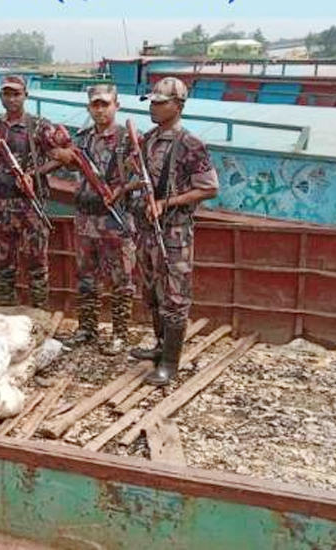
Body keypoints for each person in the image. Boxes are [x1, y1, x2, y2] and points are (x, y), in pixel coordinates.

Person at [131, 77, 219, 385]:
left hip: (174, 233)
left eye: (160, 102)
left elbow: (209, 188)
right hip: (147, 231)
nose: (153, 108)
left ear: (178, 106)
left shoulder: (190, 143)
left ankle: (170, 363)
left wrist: (167, 203)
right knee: (152, 291)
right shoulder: (148, 139)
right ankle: (159, 346)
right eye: (152, 102)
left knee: (175, 296)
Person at [52, 84, 137, 356]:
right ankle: (87, 329)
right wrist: (62, 157)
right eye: (95, 105)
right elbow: (63, 157)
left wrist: (122, 190)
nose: (100, 109)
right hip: (87, 219)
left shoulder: (130, 139)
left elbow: (143, 176)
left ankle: (120, 334)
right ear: (89, 107)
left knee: (121, 279)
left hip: (116, 219)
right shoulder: (82, 139)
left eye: (105, 104)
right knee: (86, 277)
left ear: (117, 105)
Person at [0, 74, 58, 308]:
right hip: (3, 204)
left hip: (31, 207)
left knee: (37, 263)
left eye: (16, 94)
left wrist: (33, 175)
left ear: (25, 95)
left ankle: (39, 311)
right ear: (1, 96)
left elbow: (61, 157)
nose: (12, 99)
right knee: (4, 262)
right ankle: (6, 309)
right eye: (7, 94)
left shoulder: (40, 126)